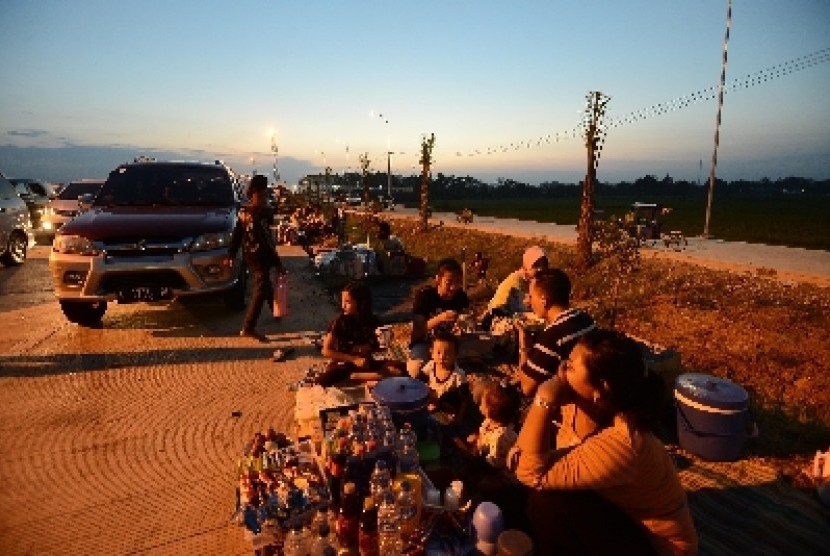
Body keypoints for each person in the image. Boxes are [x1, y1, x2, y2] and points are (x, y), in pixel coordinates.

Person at [509, 329, 698, 555]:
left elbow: (530, 473)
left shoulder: (626, 442)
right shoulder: (585, 405)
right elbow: (522, 455)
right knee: (513, 496)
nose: (560, 372)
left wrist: (544, 399)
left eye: (569, 366)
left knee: (547, 502)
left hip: (656, 546)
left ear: (601, 388)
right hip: (615, 513)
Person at [516, 267, 596, 399]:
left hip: (568, 403)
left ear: (544, 300)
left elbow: (526, 388)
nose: (529, 302)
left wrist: (523, 344)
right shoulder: (585, 318)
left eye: (531, 296)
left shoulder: (553, 336)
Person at [228, 174, 285, 342]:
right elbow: (267, 242)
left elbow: (237, 235)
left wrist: (231, 254)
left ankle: (275, 310)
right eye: (260, 196)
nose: (263, 199)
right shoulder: (258, 216)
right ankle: (249, 327)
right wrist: (278, 263)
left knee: (265, 284)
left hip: (251, 255)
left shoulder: (244, 212)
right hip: (259, 256)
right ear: (252, 195)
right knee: (261, 287)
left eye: (264, 195)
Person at [317, 280, 405, 386]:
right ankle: (357, 377)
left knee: (400, 369)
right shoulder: (339, 322)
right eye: (342, 301)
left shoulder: (372, 321)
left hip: (366, 363)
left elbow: (378, 348)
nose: (343, 306)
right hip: (344, 364)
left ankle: (358, 377)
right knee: (322, 381)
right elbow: (326, 351)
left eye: (348, 302)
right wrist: (354, 359)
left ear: (360, 303)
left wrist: (384, 340)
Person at [409, 257, 469, 361]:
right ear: (438, 279)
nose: (453, 287)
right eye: (449, 282)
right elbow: (417, 332)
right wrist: (440, 318)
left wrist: (464, 325)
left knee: (486, 342)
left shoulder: (461, 296)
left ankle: (448, 358)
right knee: (415, 367)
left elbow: (466, 322)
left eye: (458, 282)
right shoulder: (425, 296)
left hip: (451, 343)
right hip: (427, 342)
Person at [485, 245, 549, 323]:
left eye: (544, 266)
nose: (540, 269)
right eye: (536, 266)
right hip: (500, 320)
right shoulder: (515, 281)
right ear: (527, 266)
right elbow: (499, 307)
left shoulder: (538, 282)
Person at [465, 380, 519, 470]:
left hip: (492, 470)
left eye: (482, 403)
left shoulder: (502, 438)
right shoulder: (490, 421)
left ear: (490, 411)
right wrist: (478, 438)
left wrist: (476, 449)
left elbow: (493, 463)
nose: (479, 404)